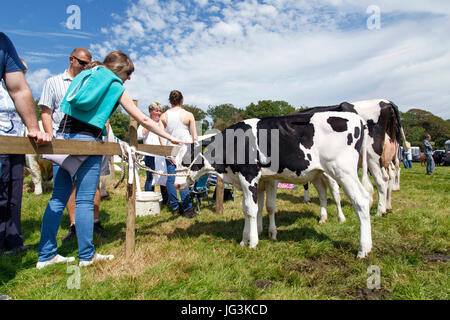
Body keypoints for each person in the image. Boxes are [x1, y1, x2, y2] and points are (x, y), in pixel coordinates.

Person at [36, 50, 184, 269]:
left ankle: (46, 255)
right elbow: (143, 118)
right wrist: (171, 137)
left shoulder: (87, 73)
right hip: (90, 142)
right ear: (120, 70)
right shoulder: (116, 86)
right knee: (85, 200)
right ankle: (86, 256)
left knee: (58, 198)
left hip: (64, 136)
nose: (129, 78)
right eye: (128, 73)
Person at [38, 50, 109, 242]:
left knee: (91, 185)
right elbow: (46, 111)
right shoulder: (53, 83)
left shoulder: (92, 83)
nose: (85, 67)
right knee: (66, 187)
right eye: (82, 63)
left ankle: (94, 223)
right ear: (71, 59)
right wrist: (52, 138)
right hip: (63, 139)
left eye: (88, 64)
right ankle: (74, 225)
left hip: (90, 141)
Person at [0, 33, 51, 256]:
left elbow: (20, 90)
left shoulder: (3, 42)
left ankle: (12, 242)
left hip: (14, 138)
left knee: (14, 191)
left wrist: (33, 128)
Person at [160, 90, 197, 219]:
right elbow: (194, 137)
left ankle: (175, 207)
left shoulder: (164, 116)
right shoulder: (188, 115)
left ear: (170, 101)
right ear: (182, 100)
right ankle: (187, 208)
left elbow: (160, 134)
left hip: (171, 150)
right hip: (185, 149)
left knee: (171, 179)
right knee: (183, 178)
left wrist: (165, 152)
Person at [137, 101, 169, 205]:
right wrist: (149, 125)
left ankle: (166, 201)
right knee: (150, 177)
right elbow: (139, 136)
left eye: (160, 111)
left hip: (162, 154)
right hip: (150, 154)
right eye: (157, 111)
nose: (159, 113)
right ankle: (149, 200)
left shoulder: (163, 123)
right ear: (151, 111)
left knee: (163, 177)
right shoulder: (144, 123)